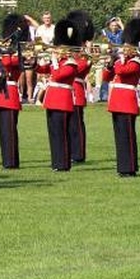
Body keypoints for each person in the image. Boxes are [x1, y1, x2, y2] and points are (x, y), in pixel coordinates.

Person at [103, 18, 140, 177]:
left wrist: (118, 60)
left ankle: (130, 168)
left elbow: (122, 72)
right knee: (120, 137)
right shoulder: (122, 61)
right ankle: (122, 167)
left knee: (128, 137)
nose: (123, 49)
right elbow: (106, 76)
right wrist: (110, 62)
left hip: (127, 102)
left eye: (126, 47)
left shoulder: (136, 62)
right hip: (117, 102)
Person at [35, 19, 80, 171]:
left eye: (59, 49)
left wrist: (54, 61)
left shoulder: (71, 64)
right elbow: (42, 70)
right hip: (52, 100)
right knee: (53, 133)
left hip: (62, 101)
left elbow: (58, 76)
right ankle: (56, 162)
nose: (56, 51)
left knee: (62, 133)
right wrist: (33, 61)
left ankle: (64, 164)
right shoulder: (59, 62)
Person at [0, 14, 24, 169]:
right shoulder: (5, 55)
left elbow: (9, 64)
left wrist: (3, 53)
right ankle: (8, 160)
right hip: (1, 94)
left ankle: (11, 161)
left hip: (10, 94)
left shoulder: (15, 57)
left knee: (10, 131)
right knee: (4, 132)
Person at [66, 10, 95, 164]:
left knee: (77, 124)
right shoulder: (71, 50)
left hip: (76, 89)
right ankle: (70, 151)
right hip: (66, 91)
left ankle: (79, 154)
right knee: (69, 126)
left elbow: (80, 69)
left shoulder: (84, 54)